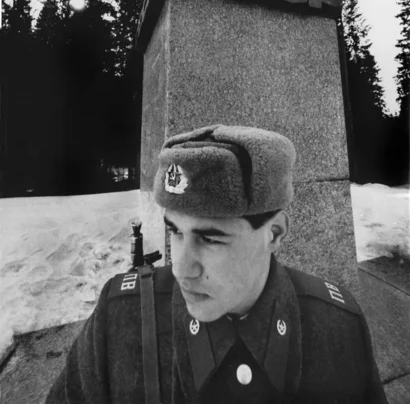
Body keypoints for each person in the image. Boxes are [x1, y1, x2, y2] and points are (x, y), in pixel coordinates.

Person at [46, 124, 387, 403]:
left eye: (209, 239)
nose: (181, 268)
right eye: (175, 233)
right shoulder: (120, 317)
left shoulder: (338, 324)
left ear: (275, 233)